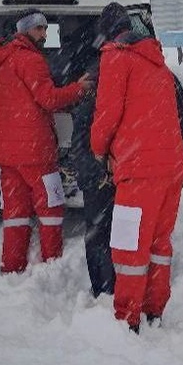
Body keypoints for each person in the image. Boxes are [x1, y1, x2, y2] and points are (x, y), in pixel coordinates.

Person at [91, 2, 183, 333]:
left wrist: (98, 152)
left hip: (139, 170)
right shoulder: (157, 63)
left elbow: (106, 115)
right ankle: (154, 312)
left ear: (108, 32)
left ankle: (126, 320)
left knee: (129, 246)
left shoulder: (115, 57)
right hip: (171, 169)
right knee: (159, 243)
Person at [0, 8, 93, 273]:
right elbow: (49, 99)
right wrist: (80, 88)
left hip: (6, 153)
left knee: (15, 215)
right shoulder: (31, 60)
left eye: (46, 28)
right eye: (39, 29)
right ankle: (52, 266)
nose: (44, 34)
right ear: (24, 30)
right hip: (35, 151)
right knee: (51, 208)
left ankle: (12, 266)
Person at [57, 21, 116, 297]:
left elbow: (84, 134)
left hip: (93, 170)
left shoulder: (91, 82)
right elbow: (95, 135)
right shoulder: (105, 80)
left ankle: (102, 287)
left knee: (97, 231)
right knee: (107, 231)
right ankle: (107, 287)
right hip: (101, 171)